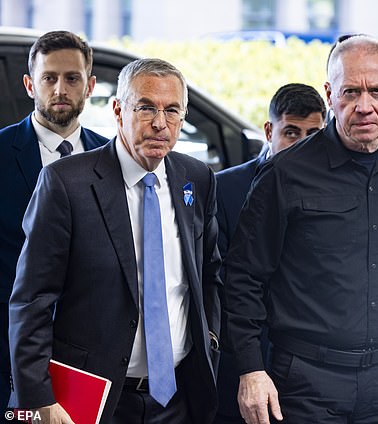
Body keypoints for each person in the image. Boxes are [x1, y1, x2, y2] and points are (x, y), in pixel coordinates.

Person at [224, 35, 378, 424]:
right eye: (350, 92)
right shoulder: (284, 175)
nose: (364, 106)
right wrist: (251, 369)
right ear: (329, 94)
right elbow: (243, 278)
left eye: (376, 91)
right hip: (304, 382)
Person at [9, 58, 222, 423]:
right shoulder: (65, 183)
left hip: (177, 400)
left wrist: (210, 339)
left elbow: (210, 273)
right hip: (91, 402)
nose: (160, 123)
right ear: (118, 110)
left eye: (172, 111)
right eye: (146, 107)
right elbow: (32, 300)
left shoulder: (196, 178)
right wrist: (37, 397)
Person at [0, 30, 108, 415]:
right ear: (30, 85)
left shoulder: (110, 157)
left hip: (91, 359)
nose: (60, 88)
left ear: (90, 85)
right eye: (49, 78)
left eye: (72, 78)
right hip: (10, 350)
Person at [214, 83, 326, 424]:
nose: (303, 144)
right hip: (244, 361)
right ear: (269, 131)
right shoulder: (223, 188)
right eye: (291, 132)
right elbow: (217, 282)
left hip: (313, 369)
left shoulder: (338, 189)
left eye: (313, 133)